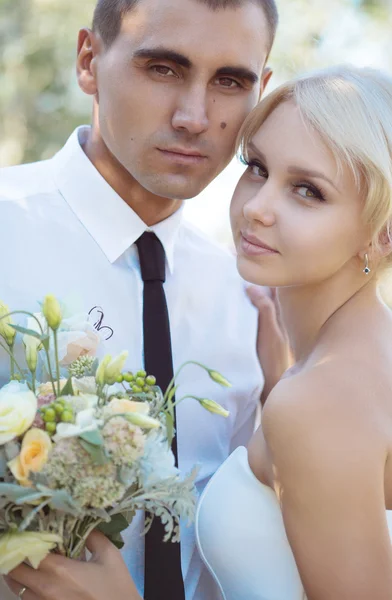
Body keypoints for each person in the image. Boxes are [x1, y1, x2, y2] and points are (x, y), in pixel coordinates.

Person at [0, 1, 287, 599]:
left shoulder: (252, 300)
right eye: (162, 68)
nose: (194, 117)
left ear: (260, 92)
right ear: (88, 60)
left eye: (230, 82)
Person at [196, 64, 392, 599]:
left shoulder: (320, 400)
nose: (256, 208)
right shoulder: (352, 362)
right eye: (256, 167)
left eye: (307, 191)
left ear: (381, 236)